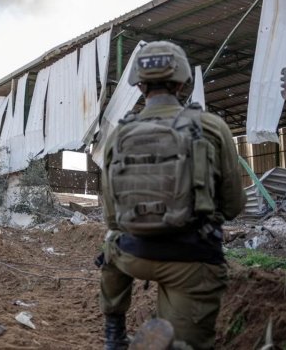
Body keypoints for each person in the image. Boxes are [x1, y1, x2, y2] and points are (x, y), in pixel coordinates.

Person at [98, 41, 245, 349]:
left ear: (139, 85)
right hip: (191, 260)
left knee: (110, 245)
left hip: (132, 256)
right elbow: (233, 206)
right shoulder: (212, 127)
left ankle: (113, 330)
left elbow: (112, 217)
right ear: (182, 83)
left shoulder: (119, 136)